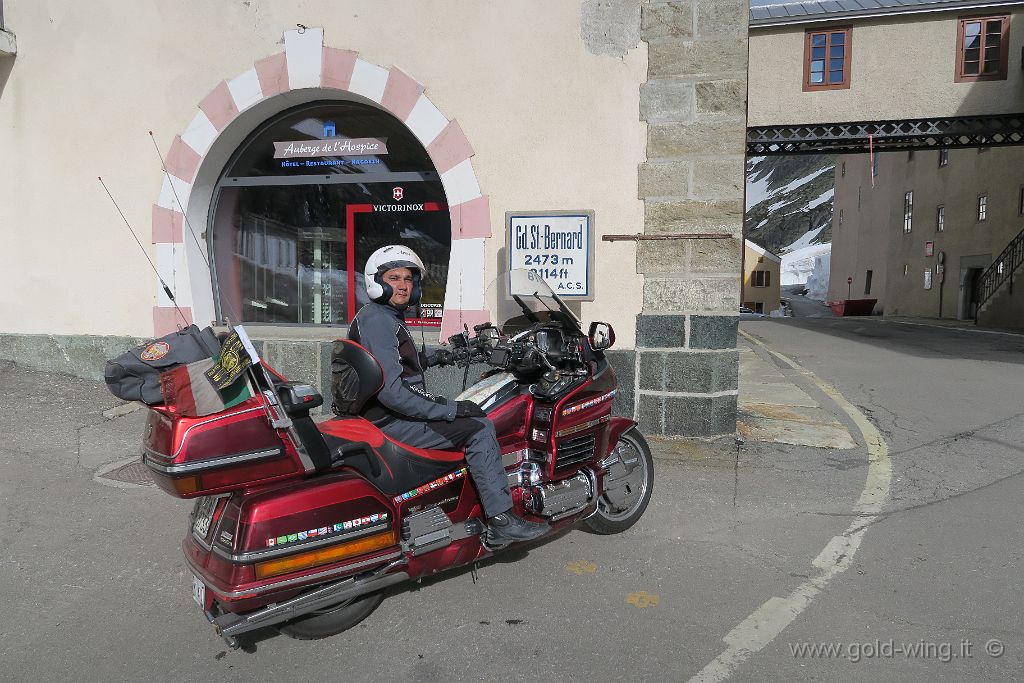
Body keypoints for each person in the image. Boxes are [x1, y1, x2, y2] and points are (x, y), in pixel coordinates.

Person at [349, 244, 548, 545]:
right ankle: (501, 519)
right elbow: (392, 392)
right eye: (394, 278)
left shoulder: (378, 316)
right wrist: (449, 410)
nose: (404, 285)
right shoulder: (379, 320)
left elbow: (393, 363)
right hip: (391, 420)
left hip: (382, 415)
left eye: (408, 279)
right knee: (480, 425)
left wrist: (438, 357)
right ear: (376, 282)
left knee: (465, 412)